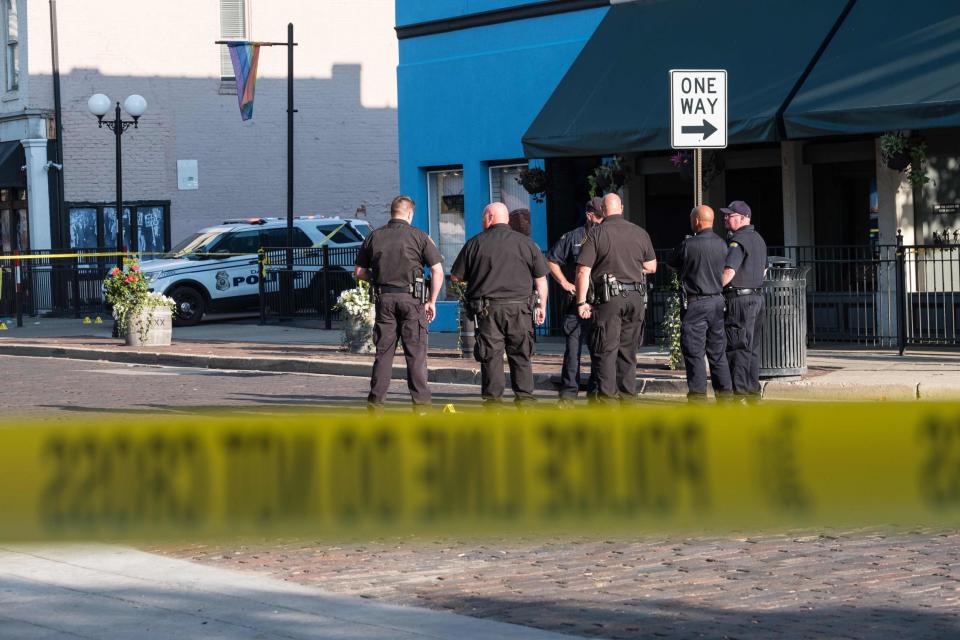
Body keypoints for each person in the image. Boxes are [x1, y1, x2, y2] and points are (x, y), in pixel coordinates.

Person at [451, 202, 549, 407]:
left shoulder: (475, 243)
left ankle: (493, 405)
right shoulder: (527, 244)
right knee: (521, 355)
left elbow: (455, 277)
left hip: (488, 310)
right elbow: (541, 280)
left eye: (482, 218)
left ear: (489, 217)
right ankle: (525, 403)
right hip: (520, 310)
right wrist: (542, 306)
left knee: (491, 357)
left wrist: (477, 278)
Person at [354, 195, 444, 413]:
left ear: (392, 212)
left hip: (384, 299)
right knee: (415, 354)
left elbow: (358, 272)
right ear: (410, 213)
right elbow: (438, 271)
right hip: (412, 301)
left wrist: (377, 279)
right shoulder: (419, 237)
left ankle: (375, 407)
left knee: (383, 355)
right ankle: (421, 408)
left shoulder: (374, 237)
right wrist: (431, 300)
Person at [575, 193, 656, 403]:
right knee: (628, 352)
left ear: (602, 209)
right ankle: (628, 402)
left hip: (609, 299)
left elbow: (583, 270)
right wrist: (630, 267)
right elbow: (652, 266)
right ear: (621, 207)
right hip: (636, 298)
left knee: (606, 351)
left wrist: (582, 302)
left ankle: (607, 405)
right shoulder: (640, 232)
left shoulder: (596, 233)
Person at [667, 205, 733, 401]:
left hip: (695, 304)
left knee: (694, 352)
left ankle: (697, 398)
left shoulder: (688, 245)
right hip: (717, 302)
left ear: (696, 221)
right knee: (717, 352)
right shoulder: (723, 244)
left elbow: (671, 264)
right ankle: (725, 396)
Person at [547, 197, 604, 407]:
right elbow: (552, 260)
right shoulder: (574, 237)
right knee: (573, 352)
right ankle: (569, 395)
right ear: (590, 216)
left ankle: (596, 393)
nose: (601, 221)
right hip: (576, 304)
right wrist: (564, 283)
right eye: (599, 217)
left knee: (600, 352)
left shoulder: (606, 236)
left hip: (600, 303)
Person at [720, 200, 768, 401]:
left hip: (740, 300)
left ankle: (739, 394)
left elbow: (729, 271)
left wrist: (713, 288)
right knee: (751, 348)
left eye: (730, 215)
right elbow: (764, 270)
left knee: (737, 347)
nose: (725, 218)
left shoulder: (738, 241)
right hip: (757, 298)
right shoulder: (758, 239)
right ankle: (752, 393)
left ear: (743, 218)